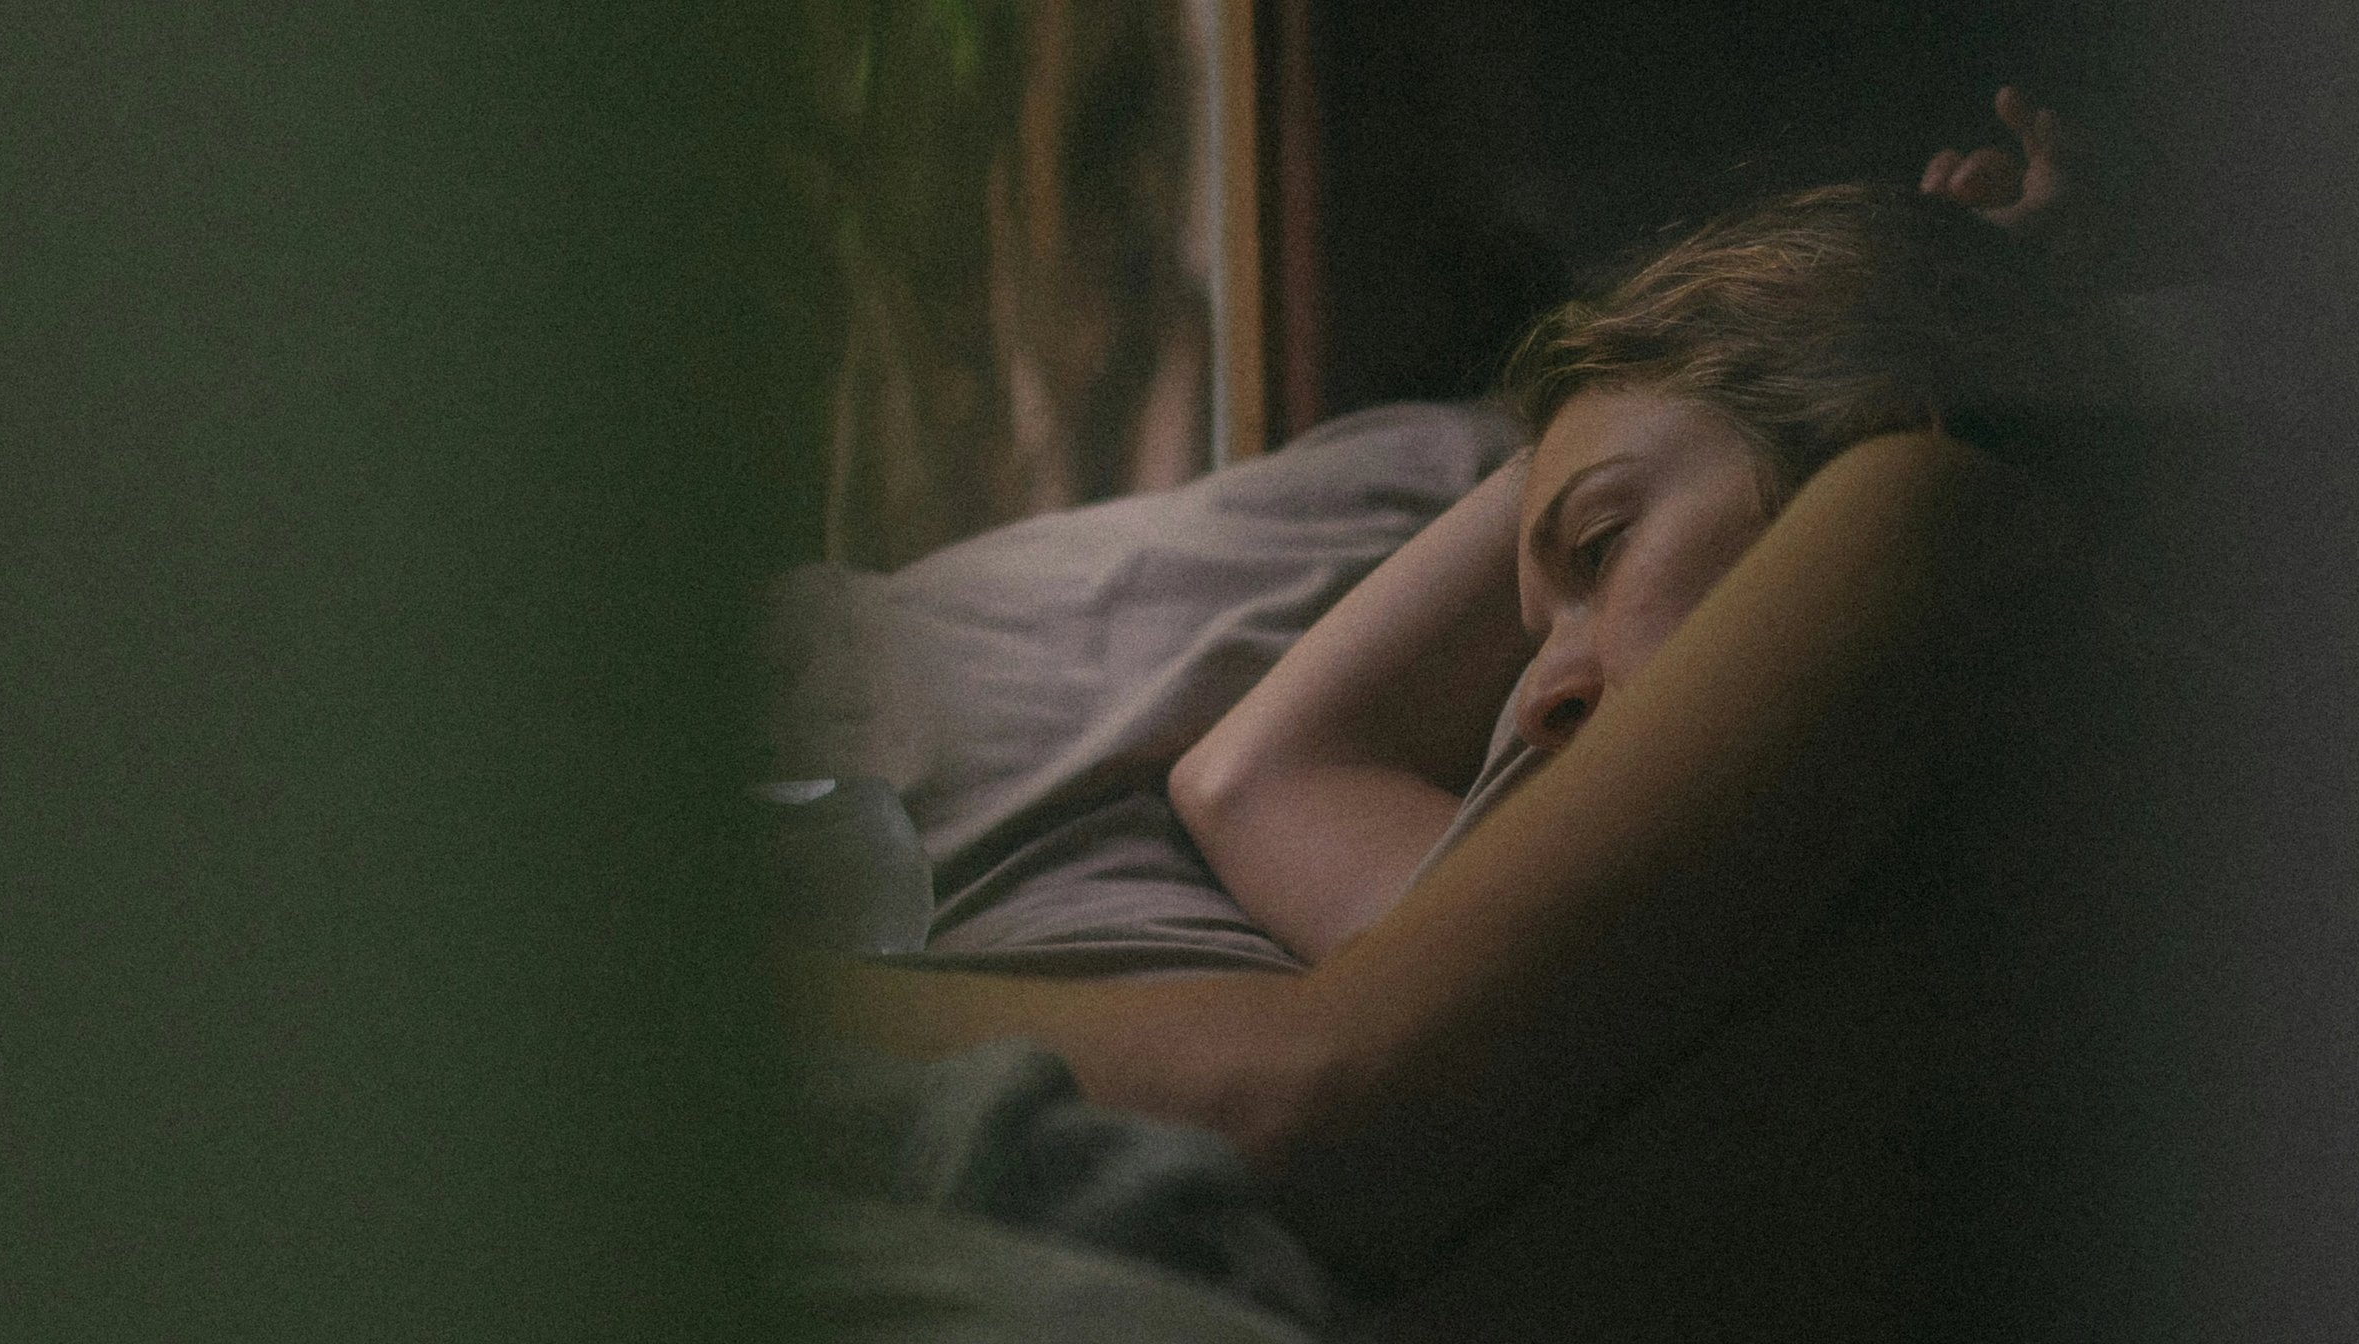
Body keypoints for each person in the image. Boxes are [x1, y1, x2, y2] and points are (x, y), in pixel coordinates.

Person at [809, 90, 2108, 1267]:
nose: (1539, 698)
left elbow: (1305, 1106)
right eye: (1542, 616)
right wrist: (1807, 336)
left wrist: (1876, 318)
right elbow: (1254, 776)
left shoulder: (1938, 513)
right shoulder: (1658, 900)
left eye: (1602, 549)